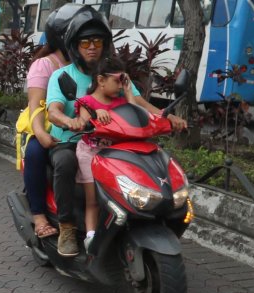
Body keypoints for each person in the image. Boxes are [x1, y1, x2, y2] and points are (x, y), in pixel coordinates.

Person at [44, 8, 187, 257]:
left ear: (105, 44)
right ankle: (67, 227)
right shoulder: (61, 76)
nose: (91, 47)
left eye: (97, 41)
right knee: (65, 162)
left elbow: (141, 105)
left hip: (116, 141)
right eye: (85, 42)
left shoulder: (117, 77)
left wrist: (167, 118)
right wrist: (70, 121)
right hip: (75, 140)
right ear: (74, 46)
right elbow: (53, 110)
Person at [19, 3, 89, 241]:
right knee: (37, 152)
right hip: (47, 124)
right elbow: (36, 106)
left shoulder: (91, 64)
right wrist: (40, 133)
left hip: (84, 129)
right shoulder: (46, 65)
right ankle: (39, 215)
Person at [70, 55, 136, 246]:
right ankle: (90, 236)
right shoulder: (86, 102)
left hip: (115, 155)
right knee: (94, 199)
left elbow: (135, 116)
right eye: (117, 81)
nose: (120, 85)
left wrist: (129, 91)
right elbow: (83, 122)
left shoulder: (122, 102)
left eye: (122, 80)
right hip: (90, 154)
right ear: (100, 80)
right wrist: (95, 113)